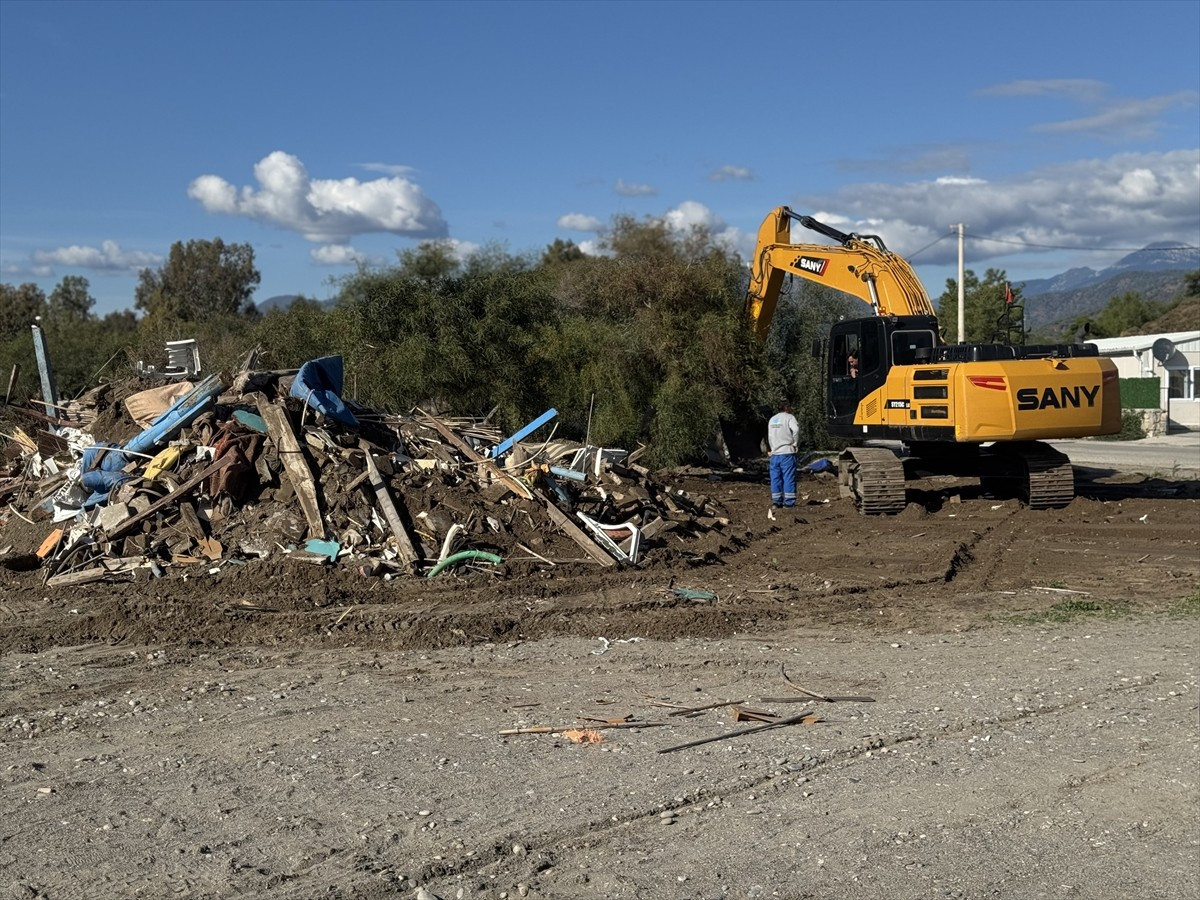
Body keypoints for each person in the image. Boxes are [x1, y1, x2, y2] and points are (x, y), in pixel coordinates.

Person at [767, 401, 800, 510]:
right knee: (788, 477)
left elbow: (770, 436)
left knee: (775, 478)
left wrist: (772, 449)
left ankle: (776, 502)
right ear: (786, 407)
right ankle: (789, 502)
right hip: (787, 453)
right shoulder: (789, 417)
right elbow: (796, 430)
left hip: (775, 454)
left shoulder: (772, 419)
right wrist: (795, 443)